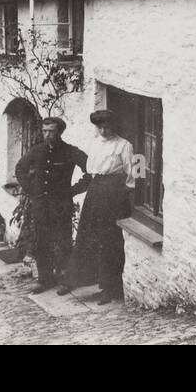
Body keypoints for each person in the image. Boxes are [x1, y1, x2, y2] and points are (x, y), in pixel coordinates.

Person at [59, 109, 135, 304]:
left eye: (107, 126)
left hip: (114, 192)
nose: (104, 130)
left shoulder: (124, 145)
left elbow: (131, 175)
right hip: (96, 191)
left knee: (109, 241)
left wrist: (120, 196)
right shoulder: (94, 144)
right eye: (100, 126)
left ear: (114, 126)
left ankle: (110, 288)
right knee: (89, 235)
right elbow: (91, 169)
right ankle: (86, 281)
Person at [13, 117, 87, 294]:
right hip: (41, 205)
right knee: (42, 242)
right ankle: (45, 280)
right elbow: (20, 169)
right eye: (44, 131)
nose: (47, 135)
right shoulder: (37, 151)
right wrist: (32, 191)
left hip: (61, 205)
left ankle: (64, 280)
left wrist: (73, 190)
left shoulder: (70, 152)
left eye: (51, 131)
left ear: (59, 132)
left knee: (63, 242)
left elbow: (91, 169)